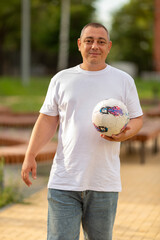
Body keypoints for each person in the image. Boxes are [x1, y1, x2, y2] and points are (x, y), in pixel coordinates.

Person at [21, 23, 143, 240]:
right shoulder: (61, 79)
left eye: (100, 41)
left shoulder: (123, 80)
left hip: (104, 181)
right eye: (89, 40)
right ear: (79, 44)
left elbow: (137, 118)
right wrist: (30, 155)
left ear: (109, 46)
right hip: (64, 180)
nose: (94, 46)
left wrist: (126, 133)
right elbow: (47, 120)